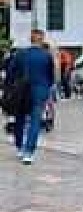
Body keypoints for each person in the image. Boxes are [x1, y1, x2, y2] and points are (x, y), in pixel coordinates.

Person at [5, 29, 55, 164]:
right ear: (42, 39)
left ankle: (19, 147)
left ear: (30, 39)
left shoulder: (20, 54)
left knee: (19, 118)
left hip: (22, 90)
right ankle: (29, 152)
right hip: (40, 90)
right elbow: (51, 76)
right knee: (35, 121)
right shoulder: (47, 55)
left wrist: (10, 88)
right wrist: (48, 89)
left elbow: (11, 73)